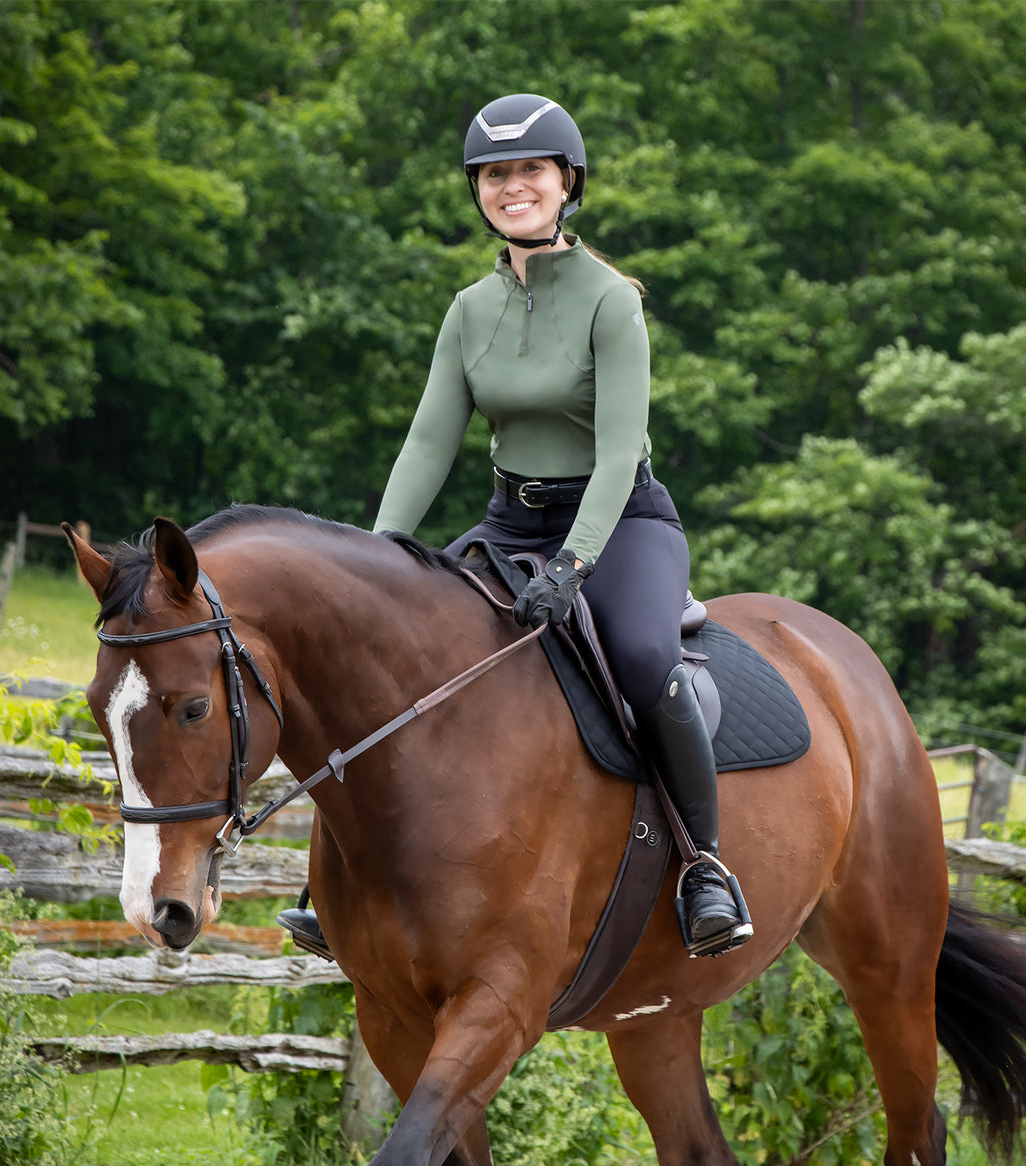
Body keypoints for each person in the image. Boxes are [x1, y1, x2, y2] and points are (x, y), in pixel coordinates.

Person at [280, 93, 751, 959]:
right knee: (390, 652)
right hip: (509, 521)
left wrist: (574, 566)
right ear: (479, 191)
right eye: (495, 174)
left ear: (567, 183)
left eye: (530, 170)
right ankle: (333, 879)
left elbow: (615, 458)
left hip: (618, 524)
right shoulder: (468, 309)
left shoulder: (614, 302)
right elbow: (429, 443)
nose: (512, 187)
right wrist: (376, 560)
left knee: (646, 658)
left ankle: (704, 867)